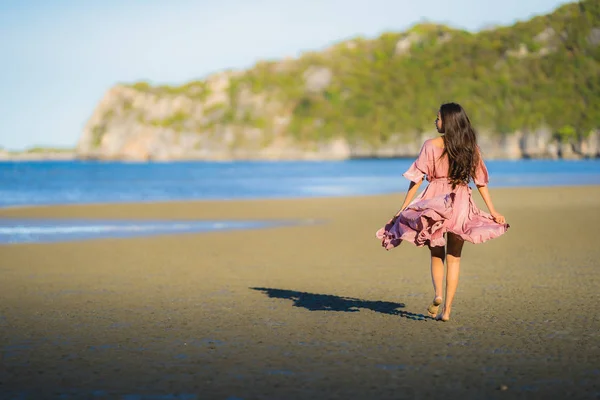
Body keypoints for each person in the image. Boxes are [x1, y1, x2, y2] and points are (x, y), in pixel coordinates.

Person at [375, 102, 509, 322]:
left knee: (436, 253)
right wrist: (493, 211)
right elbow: (481, 182)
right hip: (460, 201)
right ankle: (446, 311)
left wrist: (403, 208)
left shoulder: (430, 145)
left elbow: (416, 179)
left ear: (447, 121)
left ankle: (437, 294)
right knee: (454, 258)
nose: (435, 121)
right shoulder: (470, 147)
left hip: (435, 201)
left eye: (437, 118)